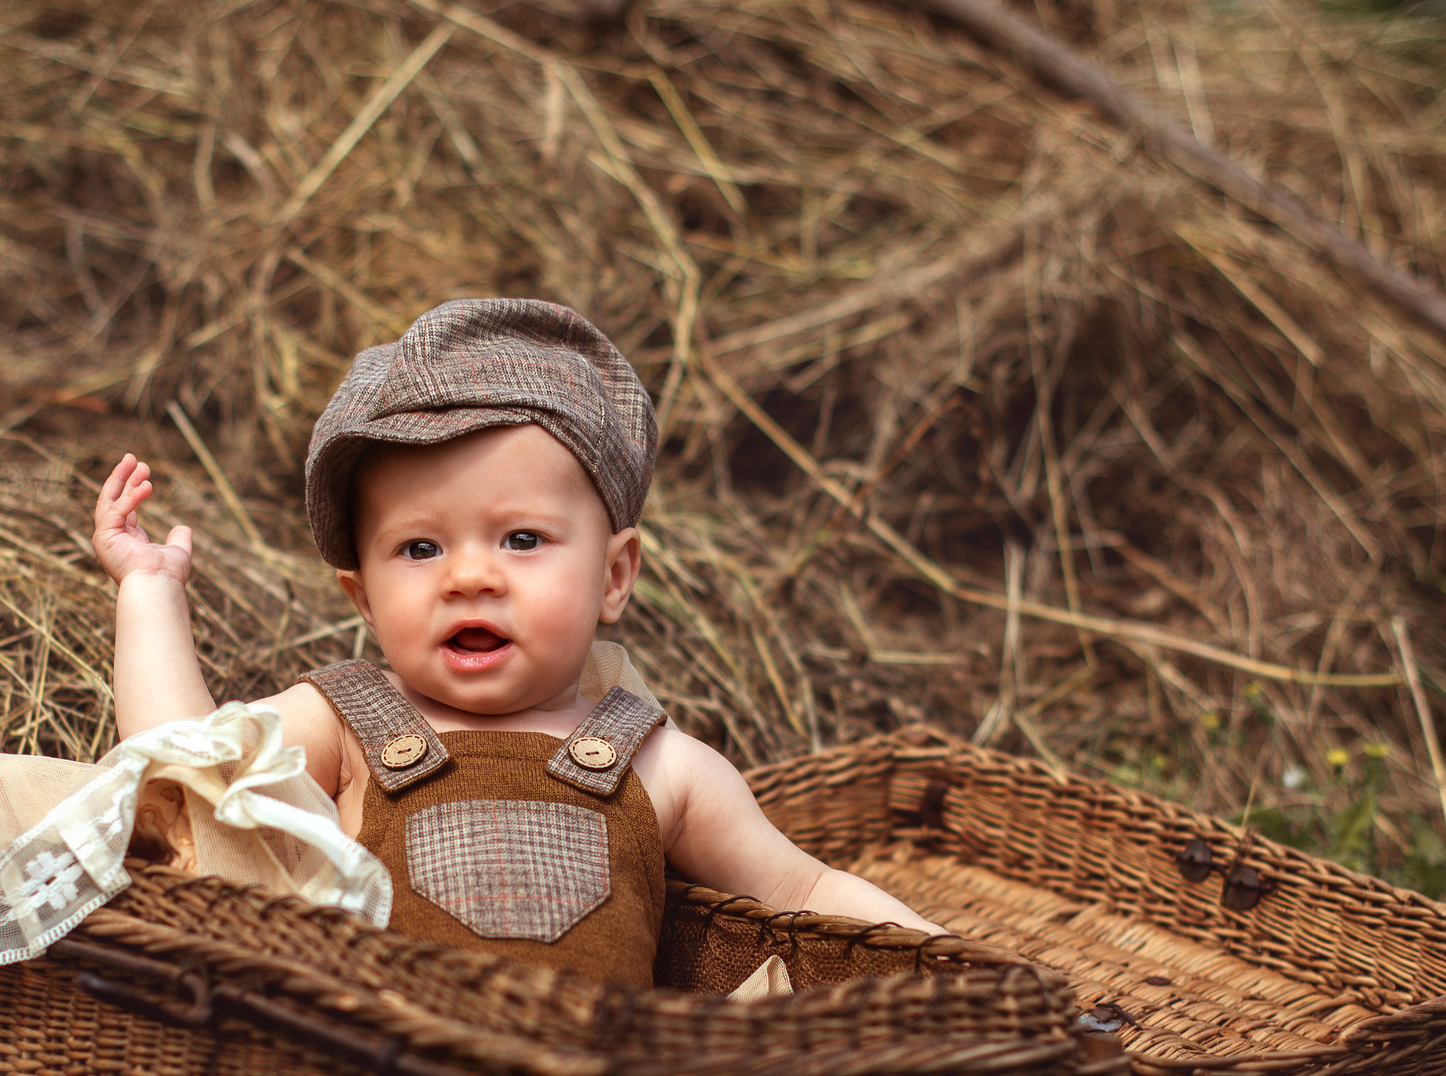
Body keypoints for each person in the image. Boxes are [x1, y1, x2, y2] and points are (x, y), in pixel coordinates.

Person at [93, 297, 946, 987]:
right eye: (419, 548)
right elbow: (181, 767)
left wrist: (964, 970)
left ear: (615, 576)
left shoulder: (660, 764)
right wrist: (150, 592)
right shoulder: (347, 725)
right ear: (363, 596)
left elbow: (804, 890)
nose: (469, 577)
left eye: (522, 540)